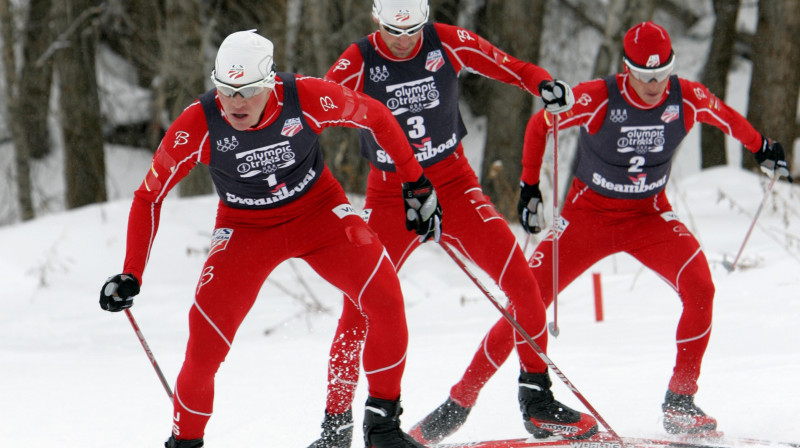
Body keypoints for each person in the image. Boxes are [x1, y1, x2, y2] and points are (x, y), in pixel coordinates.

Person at [429, 20, 791, 438]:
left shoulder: (686, 97)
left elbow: (725, 117)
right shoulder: (600, 97)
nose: (654, 85)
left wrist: (762, 147)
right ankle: (459, 402)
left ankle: (680, 402)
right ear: (626, 69)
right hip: (587, 219)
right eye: (643, 76)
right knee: (524, 302)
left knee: (700, 287)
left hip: (649, 217)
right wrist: (530, 187)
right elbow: (540, 124)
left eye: (661, 74)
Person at [98, 30, 443, 448]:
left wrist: (416, 183)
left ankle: (383, 428)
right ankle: (184, 442)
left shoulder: (306, 97)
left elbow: (378, 117)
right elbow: (148, 196)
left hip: (320, 214)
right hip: (246, 230)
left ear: (269, 83)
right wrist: (132, 272)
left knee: (385, 299)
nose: (235, 103)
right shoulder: (197, 123)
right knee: (203, 348)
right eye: (226, 90)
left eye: (246, 92)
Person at [307, 1, 599, 447]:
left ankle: (537, 401)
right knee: (358, 309)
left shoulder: (446, 40)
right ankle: (335, 429)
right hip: (390, 194)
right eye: (392, 31)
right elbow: (313, 111)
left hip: (453, 181)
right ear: (375, 20)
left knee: (524, 284)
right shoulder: (358, 59)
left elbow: (511, 66)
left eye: (413, 31)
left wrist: (545, 84)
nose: (404, 41)